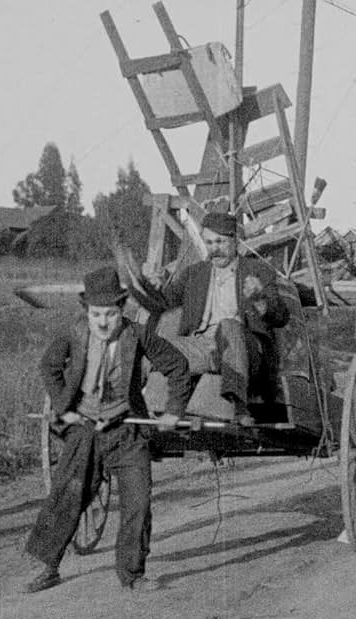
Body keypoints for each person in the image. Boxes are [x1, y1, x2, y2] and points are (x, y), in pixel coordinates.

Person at [24, 266, 192, 593]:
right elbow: (49, 367)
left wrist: (173, 412)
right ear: (86, 311)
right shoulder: (74, 334)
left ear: (122, 310)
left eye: (111, 314)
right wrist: (64, 408)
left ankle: (132, 575)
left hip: (127, 431)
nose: (103, 322)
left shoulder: (138, 335)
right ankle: (48, 567)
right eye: (96, 314)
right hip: (85, 431)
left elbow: (177, 367)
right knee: (68, 496)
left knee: (138, 503)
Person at [146, 211, 289, 426]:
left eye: (221, 242)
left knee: (229, 325)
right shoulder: (194, 273)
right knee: (157, 345)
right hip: (203, 346)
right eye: (210, 242)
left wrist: (259, 298)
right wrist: (151, 287)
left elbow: (280, 317)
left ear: (235, 240)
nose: (215, 248)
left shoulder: (258, 270)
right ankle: (153, 405)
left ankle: (239, 407)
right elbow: (162, 303)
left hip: (246, 349)